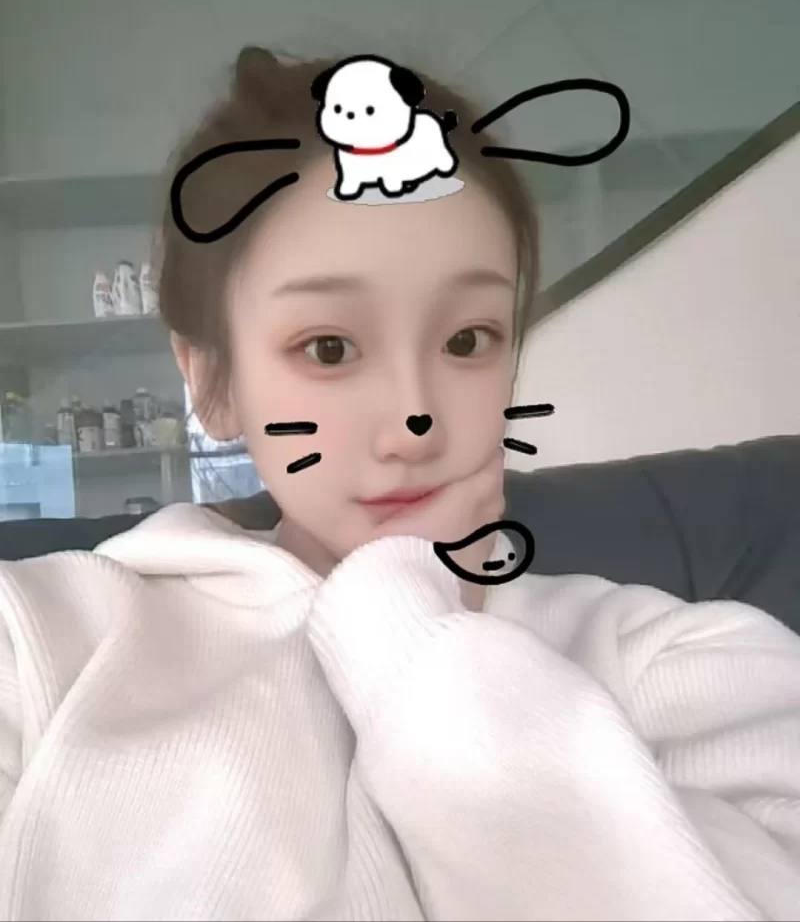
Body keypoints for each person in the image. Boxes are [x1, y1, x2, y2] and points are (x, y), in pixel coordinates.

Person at [0, 47, 798, 922]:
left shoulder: (678, 658)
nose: (416, 418)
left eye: (467, 340)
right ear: (212, 382)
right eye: (330, 347)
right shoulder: (40, 639)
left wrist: (411, 630)